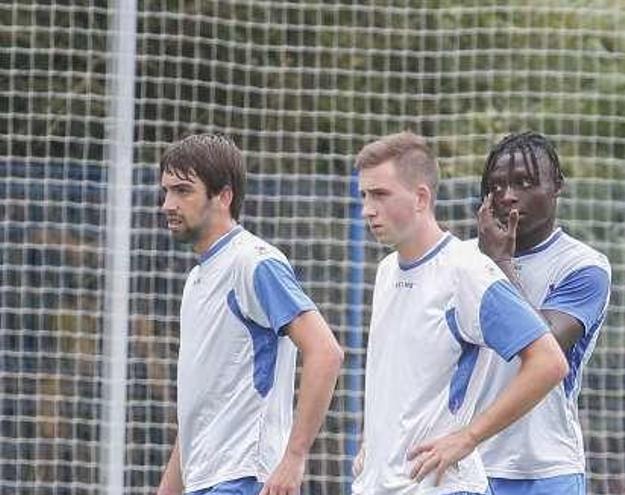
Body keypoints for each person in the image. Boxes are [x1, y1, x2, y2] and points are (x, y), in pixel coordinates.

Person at [351, 131, 569, 495]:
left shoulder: (466, 271)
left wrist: (468, 437)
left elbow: (549, 362)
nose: (367, 209)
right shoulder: (388, 270)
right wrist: (373, 441)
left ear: (421, 197)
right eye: (364, 195)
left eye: (380, 195)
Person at [155, 134, 344, 495]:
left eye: (182, 191)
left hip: (245, 477)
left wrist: (293, 457)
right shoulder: (197, 278)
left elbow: (326, 352)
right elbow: (199, 409)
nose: (167, 204)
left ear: (223, 197)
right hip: (205, 481)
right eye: (166, 191)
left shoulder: (254, 262)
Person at [474, 131, 611, 494]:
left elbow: (544, 344)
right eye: (497, 185)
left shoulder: (584, 267)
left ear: (557, 186)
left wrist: (501, 262)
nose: (508, 196)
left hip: (545, 468)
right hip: (467, 462)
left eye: (524, 182)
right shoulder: (462, 261)